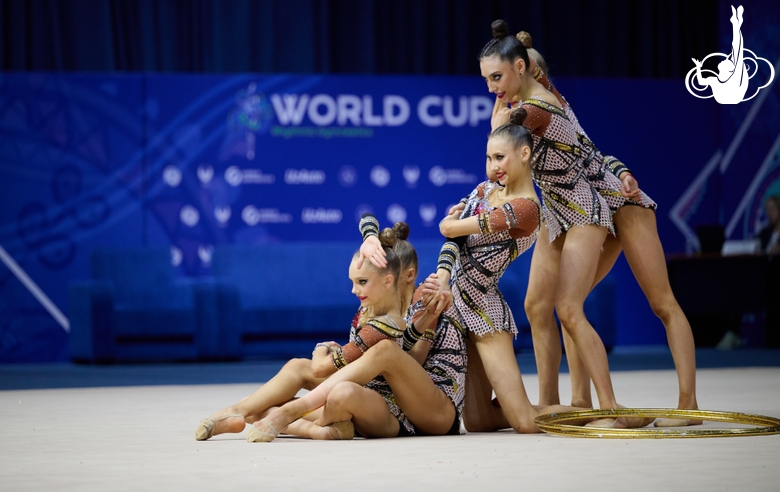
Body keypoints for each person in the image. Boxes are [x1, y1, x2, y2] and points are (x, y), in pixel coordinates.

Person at [478, 20, 698, 427]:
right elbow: (587, 148)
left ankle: (688, 405)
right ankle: (566, 403)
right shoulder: (538, 94)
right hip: (568, 206)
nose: (492, 88)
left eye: (496, 78)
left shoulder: (539, 106)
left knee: (659, 303)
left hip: (614, 202)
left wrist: (623, 173)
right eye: (487, 79)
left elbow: (502, 133)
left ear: (523, 69)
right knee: (545, 304)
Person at [194, 224, 449, 441]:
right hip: (365, 384)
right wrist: (370, 237)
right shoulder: (371, 307)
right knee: (297, 366)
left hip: (384, 403)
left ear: (395, 277)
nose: (354, 290)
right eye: (354, 282)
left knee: (338, 391)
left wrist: (322, 349)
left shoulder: (413, 307)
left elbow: (322, 368)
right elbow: (398, 346)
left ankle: (273, 414)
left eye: (362, 282)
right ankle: (242, 410)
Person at [692, 5, 748, 105]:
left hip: (733, 95)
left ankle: (736, 23)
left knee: (737, 51)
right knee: (737, 52)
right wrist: (698, 67)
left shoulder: (731, 78)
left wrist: (698, 67)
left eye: (727, 61)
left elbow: (737, 48)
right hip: (729, 96)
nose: (725, 59)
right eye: (728, 61)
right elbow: (701, 82)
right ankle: (736, 23)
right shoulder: (715, 80)